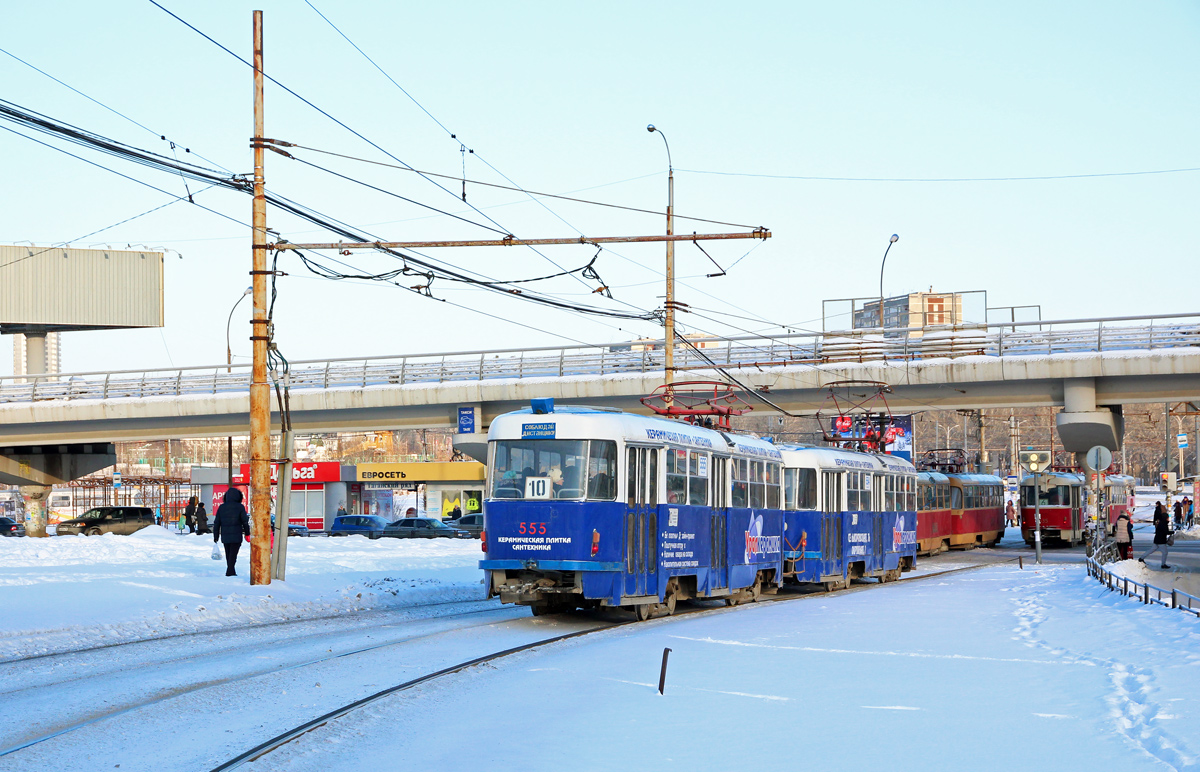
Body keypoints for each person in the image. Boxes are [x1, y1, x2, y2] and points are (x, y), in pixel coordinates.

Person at [212, 488, 250, 577]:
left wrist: (216, 536)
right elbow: (245, 521)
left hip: (225, 535)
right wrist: (247, 532)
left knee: (228, 554)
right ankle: (230, 571)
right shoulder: (240, 507)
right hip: (237, 535)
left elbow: (217, 523)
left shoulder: (222, 507)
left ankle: (231, 571)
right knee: (233, 554)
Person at [1138, 501, 1172, 569]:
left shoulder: (1161, 523)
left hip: (1157, 540)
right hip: (1161, 541)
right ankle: (1163, 564)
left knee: (1151, 550)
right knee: (1165, 552)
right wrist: (1172, 532)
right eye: (1167, 517)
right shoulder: (1164, 524)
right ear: (1165, 518)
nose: (1168, 518)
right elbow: (1165, 531)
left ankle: (1141, 558)